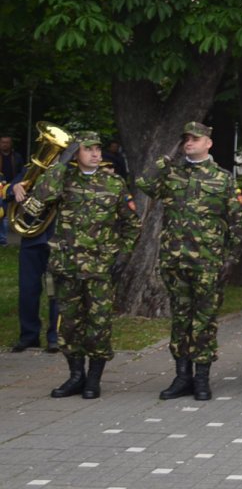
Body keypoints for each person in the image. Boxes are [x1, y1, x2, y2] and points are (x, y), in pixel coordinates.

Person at [22, 131, 141, 399]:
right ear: (76, 153)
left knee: (98, 324)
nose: (96, 154)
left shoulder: (114, 183)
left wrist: (122, 256)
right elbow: (39, 198)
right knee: (69, 325)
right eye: (88, 149)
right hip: (67, 266)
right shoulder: (63, 179)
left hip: (100, 268)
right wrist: (61, 163)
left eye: (98, 149)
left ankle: (94, 380)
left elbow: (132, 224)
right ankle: (76, 376)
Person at [136, 122, 242, 401]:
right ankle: (182, 376)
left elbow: (236, 223)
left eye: (195, 138)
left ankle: (202, 378)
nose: (189, 143)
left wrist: (230, 259)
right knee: (181, 320)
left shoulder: (222, 178)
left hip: (208, 262)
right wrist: (166, 157)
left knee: (205, 321)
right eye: (185, 139)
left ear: (209, 142)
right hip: (175, 260)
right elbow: (144, 184)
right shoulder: (172, 174)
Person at [7, 166, 60, 353]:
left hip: (57, 238)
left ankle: (55, 336)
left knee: (55, 291)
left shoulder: (71, 170)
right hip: (32, 238)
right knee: (28, 289)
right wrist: (13, 188)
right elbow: (11, 187)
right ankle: (29, 335)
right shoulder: (33, 169)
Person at [0, 134, 26, 246]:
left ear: (11, 144)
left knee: (6, 213)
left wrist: (15, 184)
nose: (5, 144)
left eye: (7, 142)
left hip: (13, 187)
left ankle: (3, 240)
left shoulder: (17, 157)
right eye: (3, 142)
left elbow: (22, 172)